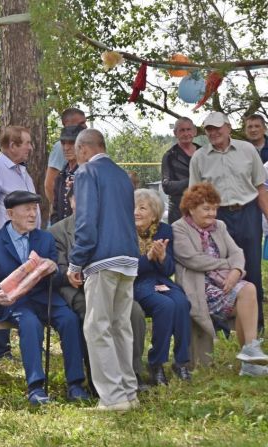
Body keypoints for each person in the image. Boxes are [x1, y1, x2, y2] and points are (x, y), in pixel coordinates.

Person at [0, 190, 90, 404]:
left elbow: (55, 279)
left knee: (69, 319)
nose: (32, 215)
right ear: (10, 213)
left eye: (34, 209)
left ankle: (75, 384)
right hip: (14, 302)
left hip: (44, 297)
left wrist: (53, 269)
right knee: (30, 323)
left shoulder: (45, 238)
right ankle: (36, 388)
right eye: (26, 209)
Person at [67, 129, 140, 411]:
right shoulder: (123, 175)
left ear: (84, 149)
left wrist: (76, 262)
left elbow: (86, 222)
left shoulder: (86, 173)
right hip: (128, 257)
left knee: (98, 327)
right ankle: (128, 391)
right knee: (121, 326)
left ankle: (112, 397)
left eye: (76, 152)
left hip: (101, 257)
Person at [49, 188, 147, 391]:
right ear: (71, 202)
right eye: (79, 199)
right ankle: (98, 378)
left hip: (109, 285)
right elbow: (58, 269)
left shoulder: (107, 228)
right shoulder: (57, 231)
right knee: (91, 316)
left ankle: (132, 372)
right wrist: (74, 275)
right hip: (76, 289)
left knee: (135, 312)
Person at [172, 183, 268, 376]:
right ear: (191, 208)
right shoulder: (179, 228)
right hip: (200, 287)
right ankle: (250, 358)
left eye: (215, 208)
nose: (212, 214)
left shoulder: (220, 226)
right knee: (246, 294)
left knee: (248, 291)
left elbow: (237, 252)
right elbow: (192, 259)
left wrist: (237, 271)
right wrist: (227, 265)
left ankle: (249, 355)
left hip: (226, 282)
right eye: (206, 209)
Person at [189, 111, 267, 332]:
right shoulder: (199, 157)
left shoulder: (247, 150)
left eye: (217, 128)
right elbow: (195, 195)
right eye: (209, 129)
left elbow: (260, 188)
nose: (214, 133)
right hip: (217, 217)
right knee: (220, 269)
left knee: (251, 267)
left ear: (228, 127)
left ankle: (256, 326)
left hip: (248, 212)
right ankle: (224, 325)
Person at [0, 125, 38, 362]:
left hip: (26, 240)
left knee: (23, 287)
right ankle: (0, 349)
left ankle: (26, 334)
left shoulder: (23, 171)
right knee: (2, 286)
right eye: (26, 143)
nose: (30, 147)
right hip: (4, 243)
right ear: (12, 146)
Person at [132, 189, 192, 384]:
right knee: (165, 306)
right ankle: (156, 363)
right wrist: (148, 258)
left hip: (161, 280)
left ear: (155, 213)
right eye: (133, 207)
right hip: (136, 283)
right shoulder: (125, 231)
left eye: (142, 208)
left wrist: (162, 257)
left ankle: (181, 362)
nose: (136, 212)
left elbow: (168, 270)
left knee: (181, 302)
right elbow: (128, 268)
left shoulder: (164, 231)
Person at [44, 108, 87, 205]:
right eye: (81, 123)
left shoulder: (86, 143)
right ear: (67, 124)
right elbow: (49, 184)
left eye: (84, 122)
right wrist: (60, 210)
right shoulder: (60, 147)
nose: (85, 126)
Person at [161, 117, 199, 224]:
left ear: (194, 131)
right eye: (182, 130)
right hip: (178, 213)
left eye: (188, 129)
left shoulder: (203, 153)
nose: (186, 133)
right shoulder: (169, 156)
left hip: (201, 210)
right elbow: (167, 186)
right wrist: (193, 181)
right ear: (175, 133)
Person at [49, 125, 82, 224]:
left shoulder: (87, 174)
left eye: (71, 143)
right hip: (62, 234)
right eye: (63, 143)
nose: (66, 148)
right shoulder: (61, 175)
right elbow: (55, 208)